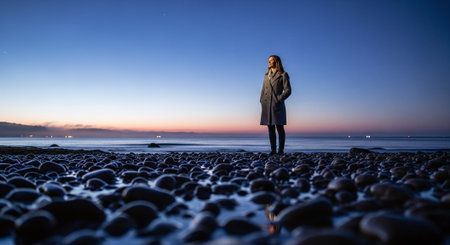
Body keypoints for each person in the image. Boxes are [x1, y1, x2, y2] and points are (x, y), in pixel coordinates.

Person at [260, 55, 292, 155]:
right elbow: (263, 90)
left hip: (277, 105)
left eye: (272, 60)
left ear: (276, 62)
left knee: (280, 128)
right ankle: (273, 150)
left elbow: (288, 90)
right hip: (266, 105)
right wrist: (261, 100)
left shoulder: (283, 74)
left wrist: (279, 99)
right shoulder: (266, 75)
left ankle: (281, 150)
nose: (269, 62)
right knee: (270, 128)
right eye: (268, 60)